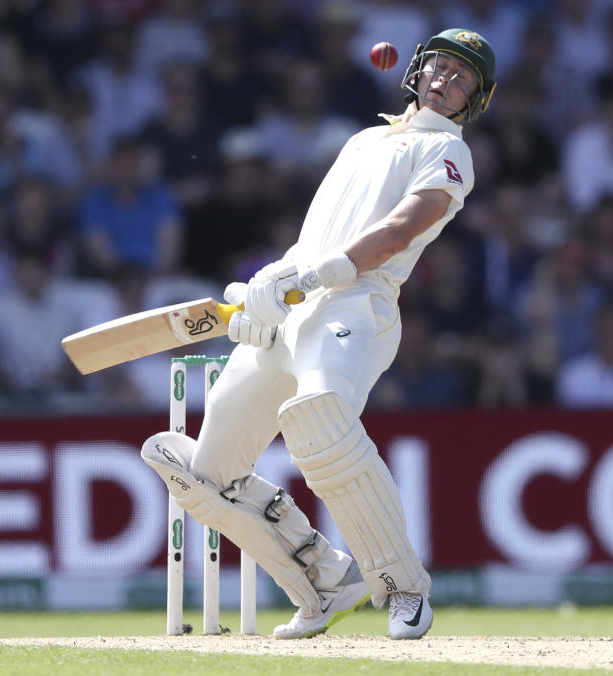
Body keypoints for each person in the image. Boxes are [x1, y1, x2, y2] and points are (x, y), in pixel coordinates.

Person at [141, 29, 496, 640]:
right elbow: (316, 235)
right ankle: (325, 581)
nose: (445, 81)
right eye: (439, 67)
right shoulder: (362, 141)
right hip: (295, 307)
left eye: (461, 79)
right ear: (416, 70)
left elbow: (404, 227)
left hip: (356, 305)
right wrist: (269, 286)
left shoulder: (448, 150)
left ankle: (404, 587)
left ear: (474, 100)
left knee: (319, 414)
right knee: (206, 472)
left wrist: (315, 276)